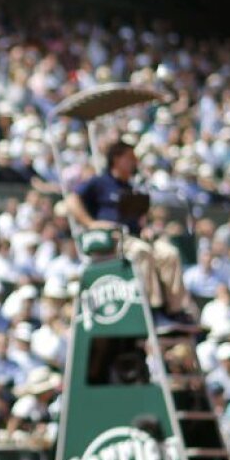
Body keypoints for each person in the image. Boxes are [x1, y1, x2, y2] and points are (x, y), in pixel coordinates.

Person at [65, 139, 193, 330]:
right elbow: (72, 200)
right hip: (113, 239)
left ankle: (175, 310)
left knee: (169, 253)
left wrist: (146, 228)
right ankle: (153, 310)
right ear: (116, 159)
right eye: (130, 158)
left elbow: (138, 218)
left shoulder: (131, 186)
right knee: (142, 252)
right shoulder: (100, 182)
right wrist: (90, 223)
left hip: (136, 236)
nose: (135, 162)